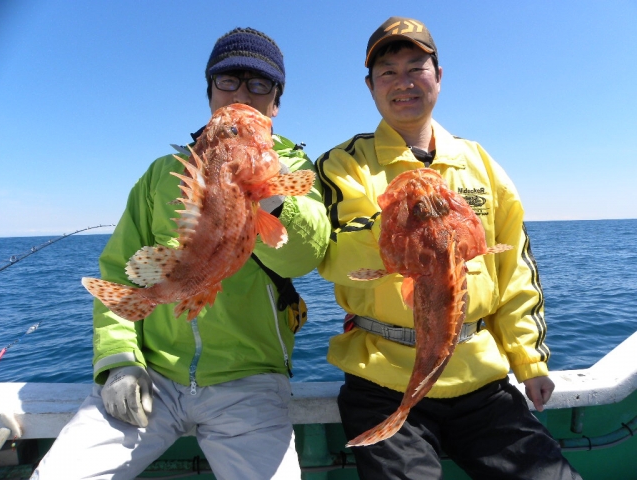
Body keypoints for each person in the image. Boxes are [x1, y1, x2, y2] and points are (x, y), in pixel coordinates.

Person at [32, 27, 329, 480]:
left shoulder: (294, 168)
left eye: (258, 83)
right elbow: (119, 272)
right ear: (210, 91)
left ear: (276, 103)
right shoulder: (161, 175)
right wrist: (119, 362)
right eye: (228, 80)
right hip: (152, 377)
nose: (241, 94)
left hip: (250, 381)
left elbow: (304, 258)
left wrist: (274, 199)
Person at [316, 16, 582, 480]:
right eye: (388, 72)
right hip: (382, 378)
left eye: (416, 68)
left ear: (438, 76)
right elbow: (335, 257)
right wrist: (399, 226)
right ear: (370, 86)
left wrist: (529, 359)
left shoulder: (480, 163)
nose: (403, 82)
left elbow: (514, 267)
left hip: (481, 378)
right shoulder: (344, 164)